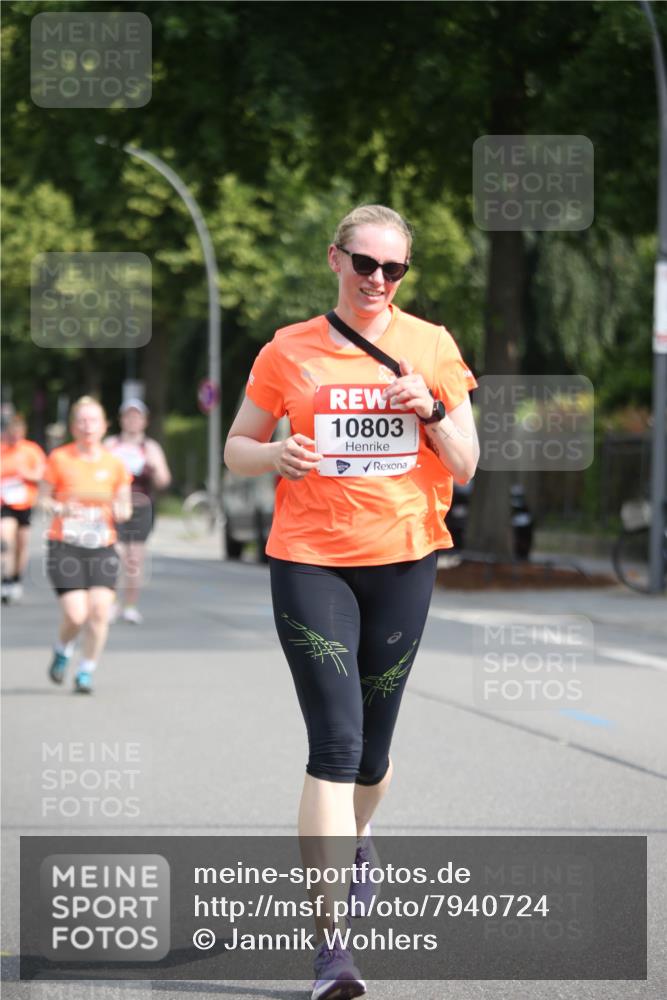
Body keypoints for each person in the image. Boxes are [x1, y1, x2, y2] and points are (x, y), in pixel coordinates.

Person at [224, 204, 479, 1000]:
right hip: (309, 563)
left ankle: (360, 838)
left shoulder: (430, 346)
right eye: (363, 264)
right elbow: (236, 447)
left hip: (403, 559)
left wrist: (429, 410)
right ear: (334, 259)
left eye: (392, 269)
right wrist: (275, 452)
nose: (376, 280)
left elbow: (467, 462)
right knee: (333, 746)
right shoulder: (287, 350)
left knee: (372, 753)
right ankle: (331, 952)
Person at [41, 396, 132, 694]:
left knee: (99, 612)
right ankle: (62, 648)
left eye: (93, 420)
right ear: (73, 426)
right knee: (76, 615)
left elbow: (125, 505)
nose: (87, 426)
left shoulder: (115, 464)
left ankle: (85, 671)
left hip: (102, 544)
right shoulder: (59, 458)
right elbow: (42, 498)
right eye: (81, 420)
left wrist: (121, 510)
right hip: (65, 543)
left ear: (105, 425)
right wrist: (57, 508)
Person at [104, 398, 171, 624]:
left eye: (137, 416)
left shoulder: (150, 447)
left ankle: (130, 606)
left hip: (141, 507)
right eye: (128, 416)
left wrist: (153, 467)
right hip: (114, 506)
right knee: (114, 556)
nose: (132, 420)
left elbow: (164, 481)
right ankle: (111, 603)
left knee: (135, 558)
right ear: (121, 419)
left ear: (144, 421)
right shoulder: (111, 444)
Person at [1, 413, 46, 603]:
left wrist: (27, 474)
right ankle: (6, 580)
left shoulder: (31, 449)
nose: (14, 435)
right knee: (5, 540)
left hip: (25, 503)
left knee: (21, 544)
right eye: (11, 432)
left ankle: (16, 579)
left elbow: (43, 474)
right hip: (5, 503)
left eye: (18, 432)